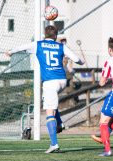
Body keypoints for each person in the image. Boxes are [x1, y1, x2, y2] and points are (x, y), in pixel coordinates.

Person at [6, 25, 85, 153]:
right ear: (55, 36)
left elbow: (23, 47)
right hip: (62, 80)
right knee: (52, 104)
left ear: (44, 35)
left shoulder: (39, 44)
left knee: (49, 113)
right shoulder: (61, 46)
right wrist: (81, 62)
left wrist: (11, 51)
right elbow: (77, 59)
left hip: (50, 82)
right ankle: (59, 123)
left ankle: (54, 144)